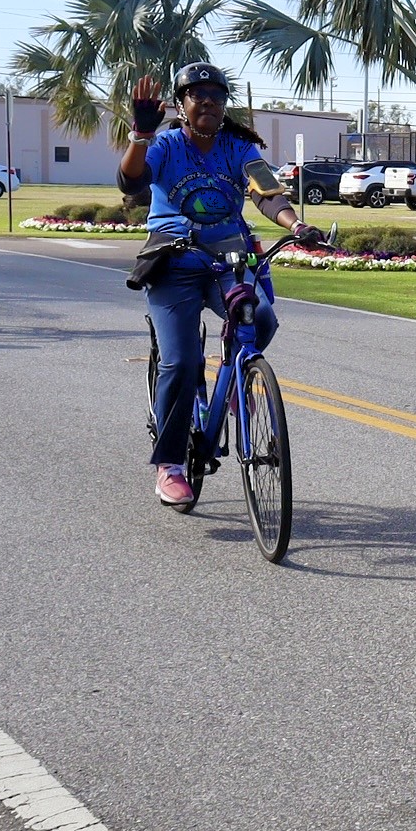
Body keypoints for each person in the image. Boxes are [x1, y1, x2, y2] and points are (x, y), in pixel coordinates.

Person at [118, 62, 324, 510]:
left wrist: (295, 223)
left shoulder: (237, 147)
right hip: (173, 260)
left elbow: (267, 192)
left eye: (216, 94)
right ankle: (170, 465)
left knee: (263, 319)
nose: (208, 101)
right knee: (181, 359)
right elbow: (131, 181)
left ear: (224, 104)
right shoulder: (166, 144)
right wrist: (139, 136)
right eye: (197, 94)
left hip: (228, 257)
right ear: (182, 105)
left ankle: (233, 389)